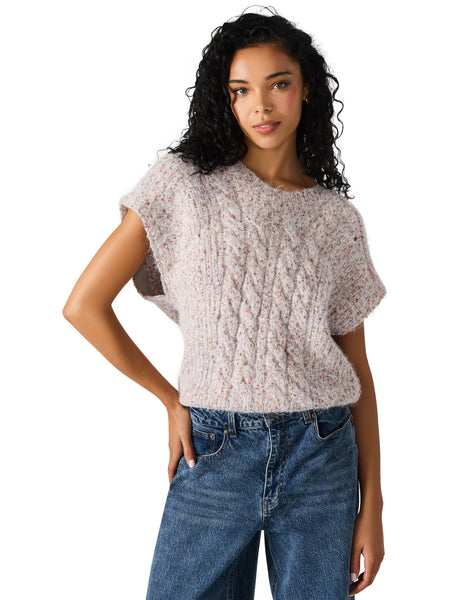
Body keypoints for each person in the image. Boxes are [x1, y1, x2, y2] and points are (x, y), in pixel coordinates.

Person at [63, 7, 386, 599]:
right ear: (226, 99)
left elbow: (358, 370)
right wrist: (170, 400)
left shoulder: (336, 220)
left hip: (322, 454)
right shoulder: (181, 184)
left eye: (278, 84)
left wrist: (375, 506)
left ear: (307, 90)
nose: (261, 106)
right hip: (213, 449)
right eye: (241, 90)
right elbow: (84, 305)